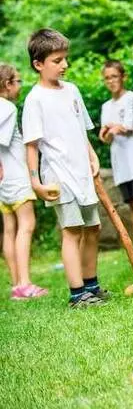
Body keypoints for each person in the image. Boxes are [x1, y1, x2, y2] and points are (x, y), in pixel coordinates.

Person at [22, 29, 108, 308]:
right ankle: (76, 293)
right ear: (38, 64)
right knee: (72, 230)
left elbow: (81, 129)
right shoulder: (35, 99)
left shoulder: (72, 90)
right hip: (58, 176)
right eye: (57, 60)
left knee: (92, 227)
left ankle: (91, 284)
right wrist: (35, 182)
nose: (64, 65)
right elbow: (32, 145)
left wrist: (92, 156)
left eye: (65, 59)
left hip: (82, 171)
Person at [0, 63, 47, 299]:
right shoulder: (7, 107)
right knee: (26, 226)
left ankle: (16, 284)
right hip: (16, 176)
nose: (20, 85)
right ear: (7, 84)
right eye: (17, 81)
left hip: (2, 183)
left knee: (9, 229)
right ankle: (25, 283)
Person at [99, 60, 133, 234]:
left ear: (123, 77)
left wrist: (115, 128)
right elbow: (105, 136)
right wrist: (110, 131)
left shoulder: (132, 98)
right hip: (121, 163)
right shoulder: (106, 107)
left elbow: (130, 127)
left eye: (114, 76)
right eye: (107, 78)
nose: (111, 81)